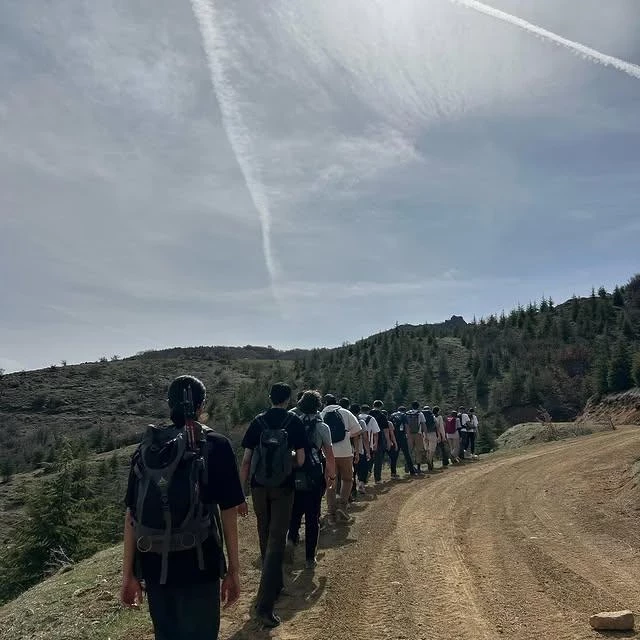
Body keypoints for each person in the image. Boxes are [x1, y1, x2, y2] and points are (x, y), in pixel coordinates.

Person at [121, 375, 244, 640]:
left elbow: (131, 515)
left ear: (169, 404)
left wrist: (128, 575)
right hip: (201, 564)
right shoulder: (217, 445)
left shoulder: (147, 448)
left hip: (154, 566)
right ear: (201, 406)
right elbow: (229, 512)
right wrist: (233, 570)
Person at [240, 383, 306, 628]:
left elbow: (246, 461)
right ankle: (265, 606)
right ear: (288, 399)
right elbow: (300, 459)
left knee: (264, 535)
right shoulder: (294, 422)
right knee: (277, 539)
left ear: (270, 398)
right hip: (284, 487)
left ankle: (275, 584)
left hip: (258, 486)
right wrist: (287, 462)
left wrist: (241, 493)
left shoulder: (258, 422)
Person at [287, 391, 336, 569]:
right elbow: (329, 456)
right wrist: (331, 476)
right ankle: (309, 558)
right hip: (314, 472)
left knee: (294, 510)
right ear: (318, 406)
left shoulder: (291, 421)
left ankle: (291, 539)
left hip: (293, 470)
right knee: (313, 514)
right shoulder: (322, 427)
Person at [321, 394, 362, 525]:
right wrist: (347, 435)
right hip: (345, 451)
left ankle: (331, 513)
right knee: (347, 479)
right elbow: (357, 431)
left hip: (328, 453)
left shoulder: (320, 414)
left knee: (331, 482)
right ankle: (343, 506)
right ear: (336, 401)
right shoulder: (345, 412)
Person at [351, 403, 372, 495]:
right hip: (359, 449)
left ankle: (352, 491)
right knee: (362, 469)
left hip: (349, 450)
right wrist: (368, 451)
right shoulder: (361, 422)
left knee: (352, 471)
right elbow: (365, 438)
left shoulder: (347, 421)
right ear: (359, 411)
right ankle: (361, 485)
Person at [358, 404, 380, 490]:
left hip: (355, 444)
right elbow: (376, 432)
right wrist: (375, 444)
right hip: (368, 444)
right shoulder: (371, 418)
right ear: (368, 410)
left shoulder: (356, 417)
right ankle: (362, 481)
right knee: (366, 464)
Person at [390, 406, 417, 476]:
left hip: (394, 437)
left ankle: (393, 472)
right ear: (404, 411)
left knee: (394, 455)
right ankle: (412, 471)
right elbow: (406, 426)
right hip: (402, 437)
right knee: (407, 454)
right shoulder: (403, 415)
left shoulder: (392, 415)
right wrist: (409, 436)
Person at [370, 400, 392, 483]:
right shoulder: (382, 415)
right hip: (379, 438)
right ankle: (377, 478)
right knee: (378, 459)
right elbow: (386, 430)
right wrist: (388, 441)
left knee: (369, 458)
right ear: (381, 406)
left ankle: (365, 476)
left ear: (373, 405)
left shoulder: (369, 414)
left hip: (369, 438)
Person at [406, 401, 426, 473]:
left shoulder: (407, 413)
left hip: (409, 434)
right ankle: (418, 468)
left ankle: (408, 465)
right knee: (418, 451)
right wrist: (425, 434)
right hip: (418, 434)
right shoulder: (420, 414)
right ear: (418, 406)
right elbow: (423, 424)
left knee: (409, 451)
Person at [422, 405, 438, 472]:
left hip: (424, 434)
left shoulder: (421, 416)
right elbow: (436, 425)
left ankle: (429, 463)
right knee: (432, 449)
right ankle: (429, 460)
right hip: (432, 433)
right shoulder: (432, 416)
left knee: (427, 449)